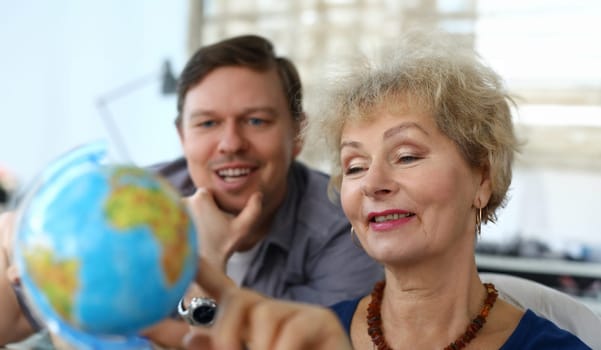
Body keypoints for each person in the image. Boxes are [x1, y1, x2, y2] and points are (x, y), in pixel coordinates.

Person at [180, 31, 592, 349]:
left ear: (482, 178)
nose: (373, 185)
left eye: (407, 156)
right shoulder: (313, 337)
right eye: (354, 166)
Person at [0, 34, 383, 348]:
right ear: (182, 137)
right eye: (207, 123)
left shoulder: (346, 228)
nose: (230, 143)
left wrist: (204, 263)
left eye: (255, 120)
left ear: (297, 135)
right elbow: (13, 315)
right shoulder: (125, 203)